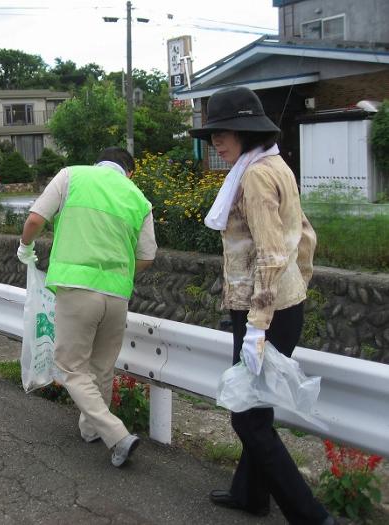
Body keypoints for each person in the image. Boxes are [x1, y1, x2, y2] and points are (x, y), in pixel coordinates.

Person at [189, 86, 337, 524]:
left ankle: (311, 516)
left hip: (262, 312)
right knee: (258, 406)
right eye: (213, 132)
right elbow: (303, 235)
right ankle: (250, 494)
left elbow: (271, 253)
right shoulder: (274, 165)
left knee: (248, 420)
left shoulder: (254, 176)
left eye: (225, 131)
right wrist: (298, 284)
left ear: (248, 130)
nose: (216, 140)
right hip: (283, 305)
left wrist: (257, 326)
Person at [17, 147, 157, 468]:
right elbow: (147, 255)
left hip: (77, 290)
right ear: (130, 173)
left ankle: (116, 434)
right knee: (102, 366)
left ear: (98, 162)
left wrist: (25, 246)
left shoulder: (72, 175)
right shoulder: (139, 198)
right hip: (117, 294)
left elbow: (36, 219)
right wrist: (119, 274)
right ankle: (90, 429)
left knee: (70, 367)